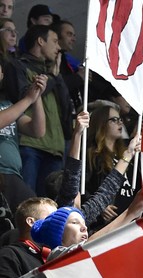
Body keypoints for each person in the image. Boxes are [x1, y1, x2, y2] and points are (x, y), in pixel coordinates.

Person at [4, 23, 74, 195]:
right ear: (41, 41)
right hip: (31, 145)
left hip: (55, 147)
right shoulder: (18, 66)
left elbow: (66, 108)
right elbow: (22, 96)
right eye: (55, 41)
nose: (59, 47)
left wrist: (57, 78)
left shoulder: (53, 72)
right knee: (27, 203)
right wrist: (52, 77)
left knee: (48, 206)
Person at [0, 195, 55, 278]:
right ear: (31, 222)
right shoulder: (10, 254)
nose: (59, 223)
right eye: (52, 218)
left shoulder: (53, 256)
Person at [84, 103, 138, 232]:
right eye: (114, 120)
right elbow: (81, 187)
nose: (120, 123)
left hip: (129, 219)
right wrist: (98, 206)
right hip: (106, 224)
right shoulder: (92, 154)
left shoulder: (127, 152)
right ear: (101, 123)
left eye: (120, 119)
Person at [0, 65, 46, 214]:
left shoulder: (8, 106)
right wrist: (28, 99)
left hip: (13, 175)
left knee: (33, 214)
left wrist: (36, 96)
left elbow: (37, 130)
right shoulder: (14, 108)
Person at [51, 19, 83, 113]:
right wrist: (78, 77)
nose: (74, 39)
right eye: (69, 34)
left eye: (74, 35)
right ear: (57, 36)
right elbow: (56, 85)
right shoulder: (51, 60)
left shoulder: (64, 58)